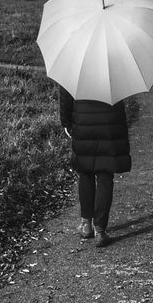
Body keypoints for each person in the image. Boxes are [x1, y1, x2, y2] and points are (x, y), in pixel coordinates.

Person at [58, 85, 131, 246]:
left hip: (83, 122)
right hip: (110, 123)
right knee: (105, 176)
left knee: (85, 173)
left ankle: (86, 225)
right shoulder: (116, 61)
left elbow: (65, 94)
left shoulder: (75, 62)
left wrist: (66, 122)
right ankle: (100, 230)